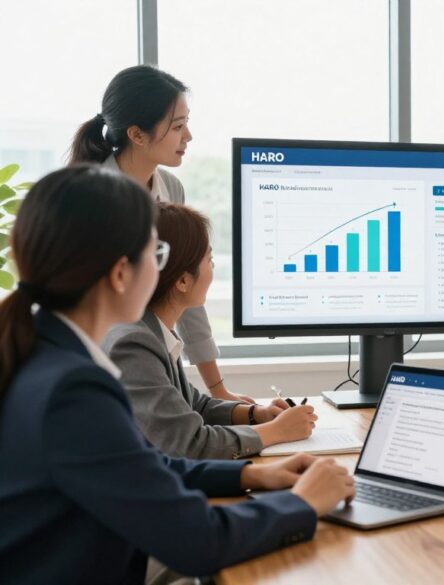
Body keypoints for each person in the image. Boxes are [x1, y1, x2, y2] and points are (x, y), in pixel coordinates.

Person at [0, 166, 355, 584]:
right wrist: (303, 503)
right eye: (157, 254)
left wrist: (251, 474)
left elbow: (140, 466)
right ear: (120, 273)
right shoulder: (73, 391)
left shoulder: (43, 352)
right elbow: (198, 539)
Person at [69, 64, 249, 404]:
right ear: (137, 135)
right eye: (178, 126)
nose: (188, 136)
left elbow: (186, 288)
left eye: (186, 123)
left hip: (149, 363)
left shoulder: (171, 188)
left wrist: (218, 390)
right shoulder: (90, 198)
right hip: (98, 366)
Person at [103, 203, 316, 459]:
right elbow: (191, 444)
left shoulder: (152, 330)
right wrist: (276, 431)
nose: (212, 269)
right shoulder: (134, 345)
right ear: (183, 281)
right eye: (209, 260)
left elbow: (193, 405)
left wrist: (256, 414)